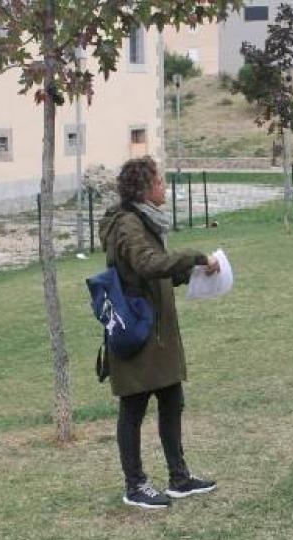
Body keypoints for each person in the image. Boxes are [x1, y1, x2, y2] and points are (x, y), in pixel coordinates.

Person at [98, 157, 221, 510]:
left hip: (157, 330)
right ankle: (134, 485)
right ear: (143, 188)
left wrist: (190, 274)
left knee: (171, 400)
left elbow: (155, 270)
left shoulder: (145, 220)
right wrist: (194, 258)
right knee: (133, 406)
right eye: (159, 181)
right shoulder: (127, 225)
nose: (164, 187)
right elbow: (147, 264)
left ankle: (179, 478)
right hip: (137, 330)